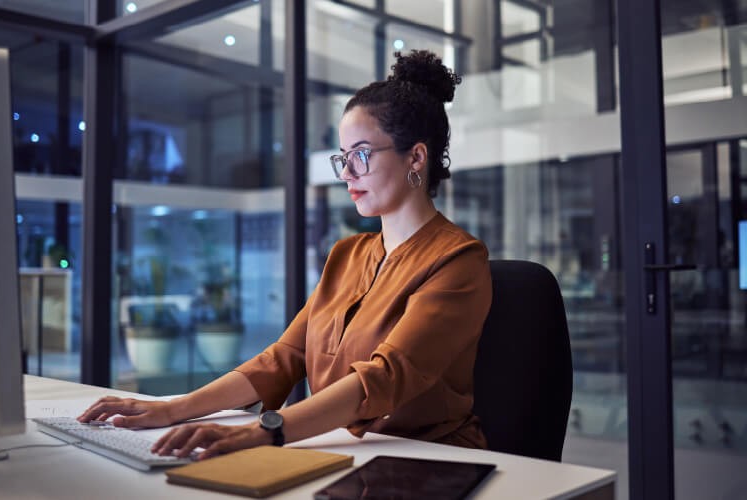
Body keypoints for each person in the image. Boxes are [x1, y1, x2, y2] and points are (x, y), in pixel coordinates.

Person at [78, 50, 492, 460]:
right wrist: (173, 409)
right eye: (343, 158)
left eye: (362, 154)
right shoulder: (347, 254)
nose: (347, 173)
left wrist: (265, 431)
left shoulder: (459, 260)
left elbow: (385, 377)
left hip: (429, 461)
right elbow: (284, 358)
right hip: (343, 449)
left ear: (415, 157)